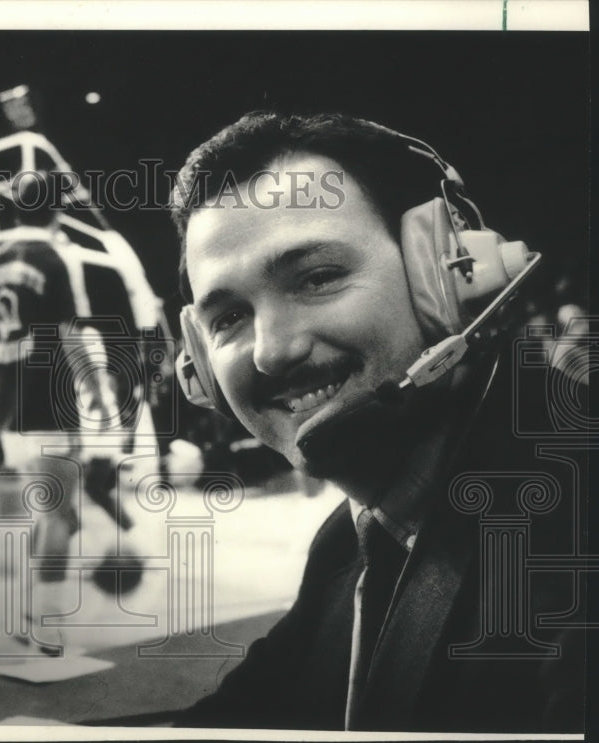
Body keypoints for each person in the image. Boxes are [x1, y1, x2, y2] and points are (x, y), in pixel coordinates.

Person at [170, 112, 585, 732]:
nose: (269, 351)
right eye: (229, 317)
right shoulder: (350, 541)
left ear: (450, 273)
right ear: (198, 366)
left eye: (317, 278)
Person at [0, 173, 125, 654]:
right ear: (56, 213)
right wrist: (95, 385)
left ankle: (25, 609)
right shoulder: (56, 257)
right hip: (49, 401)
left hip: (10, 406)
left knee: (52, 512)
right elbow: (72, 332)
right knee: (59, 515)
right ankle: (48, 622)